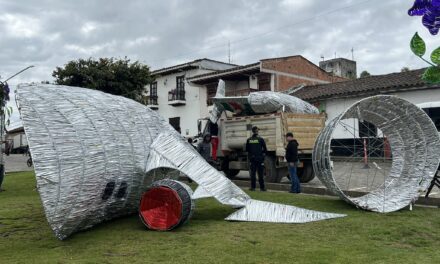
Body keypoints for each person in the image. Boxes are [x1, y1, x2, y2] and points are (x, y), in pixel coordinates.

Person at [246, 126, 267, 191]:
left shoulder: (249, 140)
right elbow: (265, 149)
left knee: (253, 174)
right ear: (257, 131)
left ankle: (253, 187)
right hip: (259, 159)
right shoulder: (260, 139)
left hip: (252, 159)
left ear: (252, 131)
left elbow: (247, 150)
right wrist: (262, 156)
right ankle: (262, 188)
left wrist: (251, 156)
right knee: (260, 174)